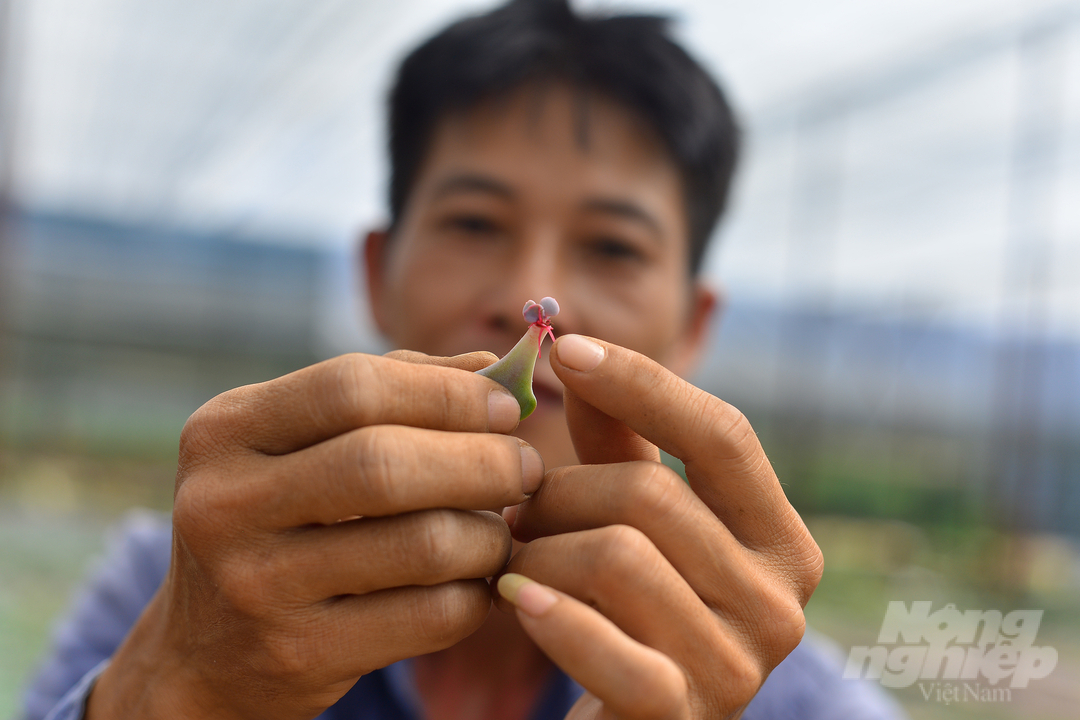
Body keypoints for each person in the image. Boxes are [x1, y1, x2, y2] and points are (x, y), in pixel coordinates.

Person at [23, 1, 905, 718]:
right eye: (475, 224)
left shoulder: (788, 692)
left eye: (614, 246)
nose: (532, 291)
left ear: (694, 324)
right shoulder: (185, 591)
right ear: (376, 271)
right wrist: (174, 687)